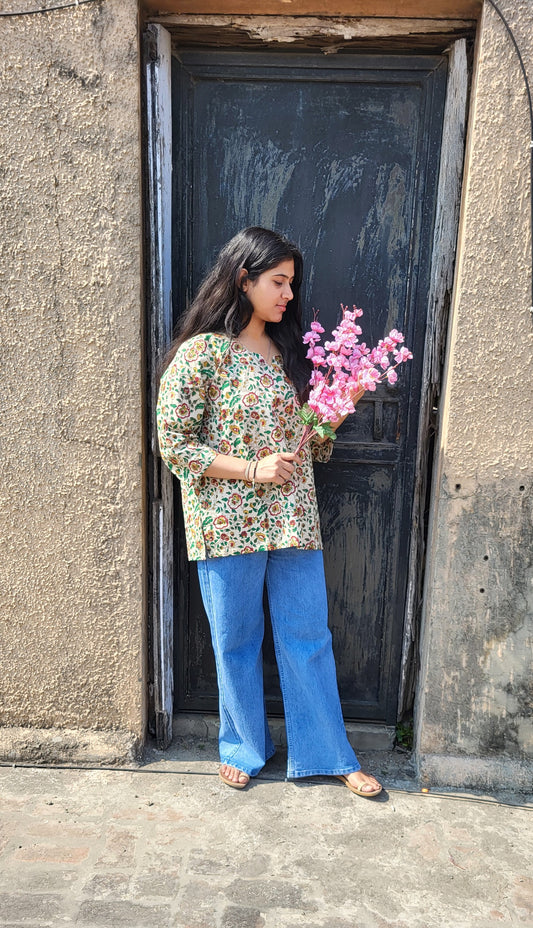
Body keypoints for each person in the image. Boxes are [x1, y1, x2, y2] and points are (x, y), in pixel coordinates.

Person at [156, 227, 382, 798]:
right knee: (236, 637)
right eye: (277, 281)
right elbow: (174, 442)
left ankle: (327, 752)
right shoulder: (203, 353)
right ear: (244, 279)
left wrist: (337, 410)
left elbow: (310, 447)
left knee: (308, 634)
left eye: (291, 283)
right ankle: (243, 747)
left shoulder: (290, 356)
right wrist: (252, 468)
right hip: (226, 521)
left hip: (293, 518)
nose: (287, 293)